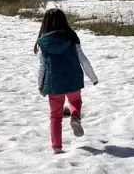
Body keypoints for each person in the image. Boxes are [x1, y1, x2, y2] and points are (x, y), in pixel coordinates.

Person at [35, 8, 98, 154]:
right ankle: (75, 116)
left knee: (55, 116)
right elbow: (83, 59)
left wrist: (40, 84)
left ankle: (57, 146)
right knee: (75, 102)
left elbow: (42, 66)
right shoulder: (71, 39)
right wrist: (93, 77)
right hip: (73, 80)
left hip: (54, 83)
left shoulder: (43, 43)